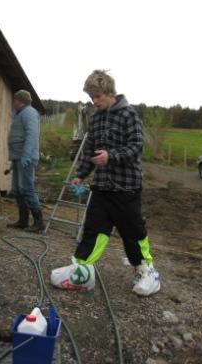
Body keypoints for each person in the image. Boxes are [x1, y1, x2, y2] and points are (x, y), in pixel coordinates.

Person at [51, 70, 160, 296]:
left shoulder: (129, 115)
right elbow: (90, 149)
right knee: (94, 228)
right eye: (92, 97)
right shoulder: (96, 118)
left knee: (132, 231)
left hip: (126, 186)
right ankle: (82, 271)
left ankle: (147, 272)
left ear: (110, 92)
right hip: (101, 187)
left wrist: (111, 156)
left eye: (98, 96)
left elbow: (136, 146)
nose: (95, 101)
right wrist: (81, 174)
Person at [7, 90, 45, 233]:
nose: (13, 102)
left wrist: (26, 155)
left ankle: (39, 223)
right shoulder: (20, 114)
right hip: (18, 158)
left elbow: (32, 134)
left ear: (20, 100)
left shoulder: (29, 113)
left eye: (15, 99)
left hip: (26, 158)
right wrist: (15, 159)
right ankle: (23, 221)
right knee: (17, 189)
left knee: (27, 189)